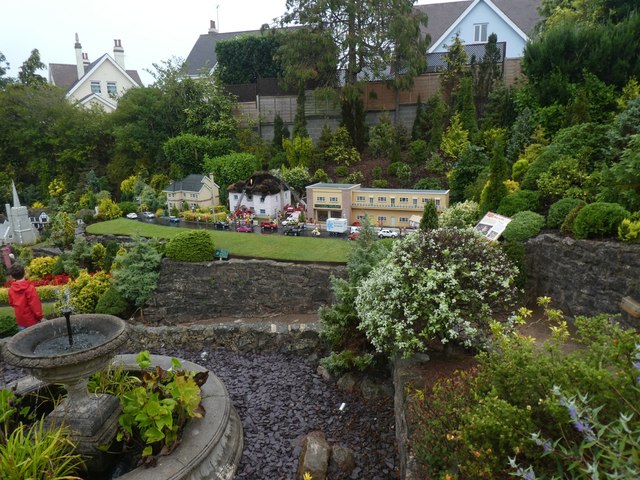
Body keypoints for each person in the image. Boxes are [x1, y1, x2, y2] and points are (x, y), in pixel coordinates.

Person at [8, 263, 43, 330]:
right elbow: (35, 305)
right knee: (35, 339)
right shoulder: (30, 288)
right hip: (32, 320)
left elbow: (11, 303)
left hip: (20, 320)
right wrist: (40, 317)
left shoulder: (11, 290)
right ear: (24, 273)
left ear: (12, 276)